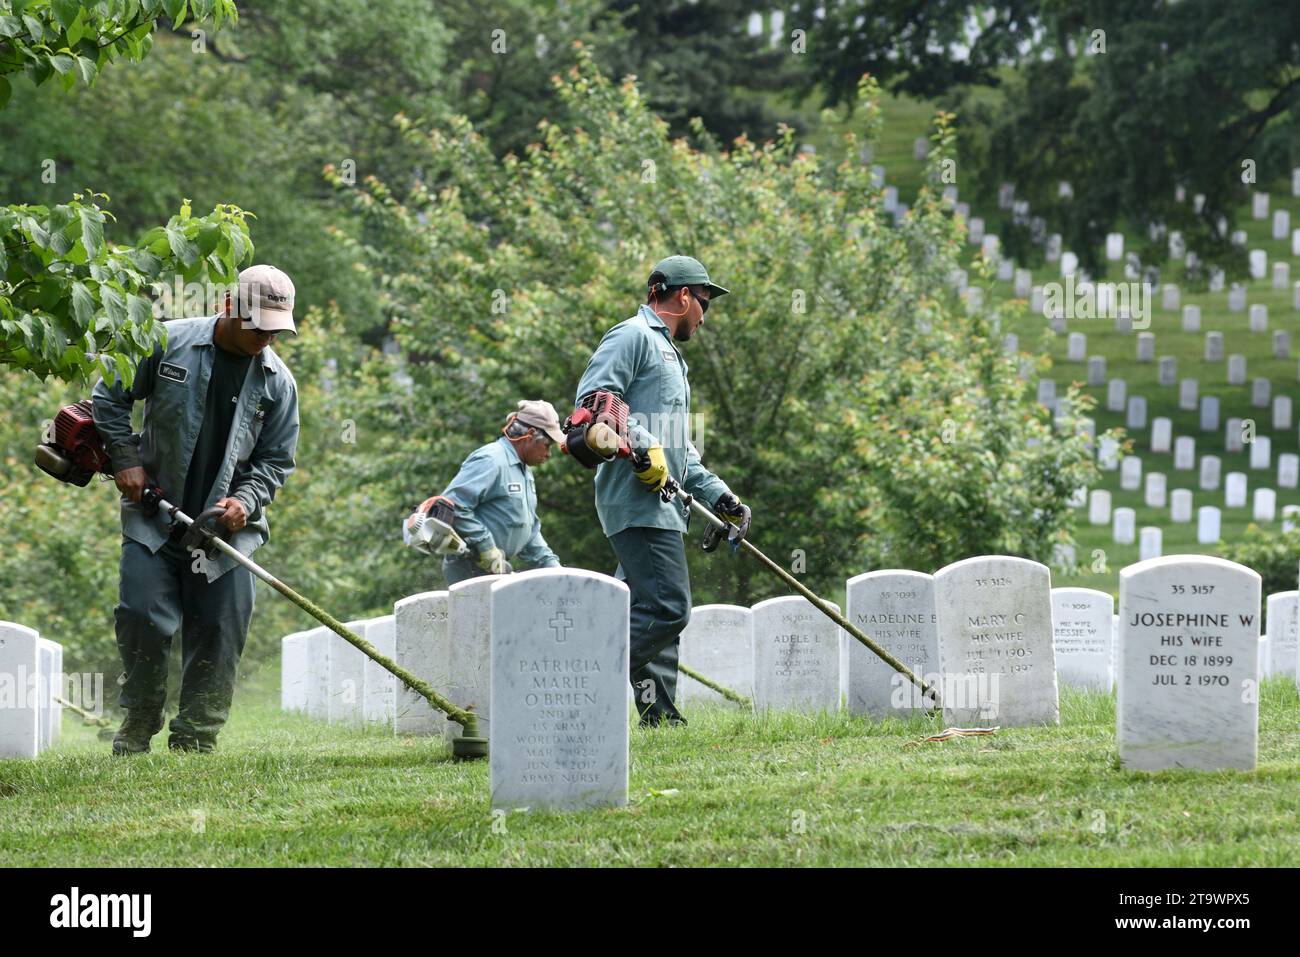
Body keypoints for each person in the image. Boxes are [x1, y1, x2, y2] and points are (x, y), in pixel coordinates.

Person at [92, 264, 301, 754]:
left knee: (221, 630)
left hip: (226, 534)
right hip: (154, 519)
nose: (267, 339)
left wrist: (245, 502)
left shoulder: (278, 384)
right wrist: (125, 461)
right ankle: (139, 722)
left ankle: (196, 738)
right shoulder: (165, 342)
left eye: (277, 330)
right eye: (259, 326)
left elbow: (276, 460)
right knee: (142, 616)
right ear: (228, 305)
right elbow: (109, 396)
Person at [573, 255, 750, 727]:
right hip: (634, 501)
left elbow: (681, 451)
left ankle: (661, 720)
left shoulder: (671, 356)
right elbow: (594, 405)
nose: (704, 318)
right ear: (684, 295)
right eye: (705, 305)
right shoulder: (631, 336)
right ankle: (575, 676)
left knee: (650, 616)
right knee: (669, 608)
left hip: (664, 505)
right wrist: (645, 444)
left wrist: (720, 497)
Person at [439, 400, 565, 584]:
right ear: (530, 435)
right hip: (470, 571)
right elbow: (453, 504)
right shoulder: (491, 460)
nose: (548, 454)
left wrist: (551, 565)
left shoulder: (524, 471)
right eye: (547, 445)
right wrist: (486, 547)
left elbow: (526, 529)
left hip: (496, 574)